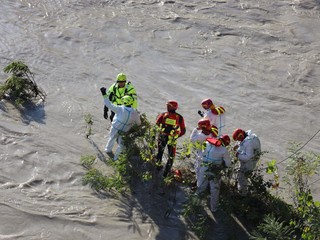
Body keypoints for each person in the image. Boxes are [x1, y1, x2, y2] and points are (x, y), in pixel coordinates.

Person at [100, 87, 141, 160]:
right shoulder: (135, 112)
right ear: (131, 102)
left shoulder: (120, 109)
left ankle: (108, 151)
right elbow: (139, 123)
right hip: (125, 131)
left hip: (115, 128)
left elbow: (109, 104)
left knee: (111, 139)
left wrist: (104, 94)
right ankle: (116, 159)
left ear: (123, 101)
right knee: (121, 144)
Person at [196, 135, 231, 213]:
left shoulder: (207, 143)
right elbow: (228, 164)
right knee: (214, 190)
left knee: (201, 186)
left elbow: (200, 153)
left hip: (203, 167)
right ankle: (213, 208)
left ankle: (196, 203)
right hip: (215, 171)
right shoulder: (224, 150)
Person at [155, 100, 186, 178]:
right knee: (170, 155)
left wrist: (161, 131)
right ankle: (165, 173)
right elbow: (183, 131)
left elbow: (157, 124)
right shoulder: (179, 117)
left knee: (161, 153)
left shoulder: (163, 115)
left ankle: (159, 168)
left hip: (163, 137)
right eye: (167, 105)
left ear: (173, 107)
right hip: (171, 138)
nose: (167, 107)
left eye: (169, 106)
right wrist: (176, 136)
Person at [190, 119, 218, 189]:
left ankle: (198, 186)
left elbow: (191, 140)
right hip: (210, 154)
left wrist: (195, 129)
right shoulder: (212, 134)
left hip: (201, 154)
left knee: (198, 170)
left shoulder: (201, 136)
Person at [232, 128, 261, 196]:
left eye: (238, 140)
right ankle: (243, 189)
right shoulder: (250, 136)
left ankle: (243, 194)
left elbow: (248, 157)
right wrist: (238, 145)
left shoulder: (249, 143)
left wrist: (237, 155)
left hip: (250, 161)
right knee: (242, 174)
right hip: (253, 156)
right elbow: (243, 143)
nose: (239, 141)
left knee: (242, 177)